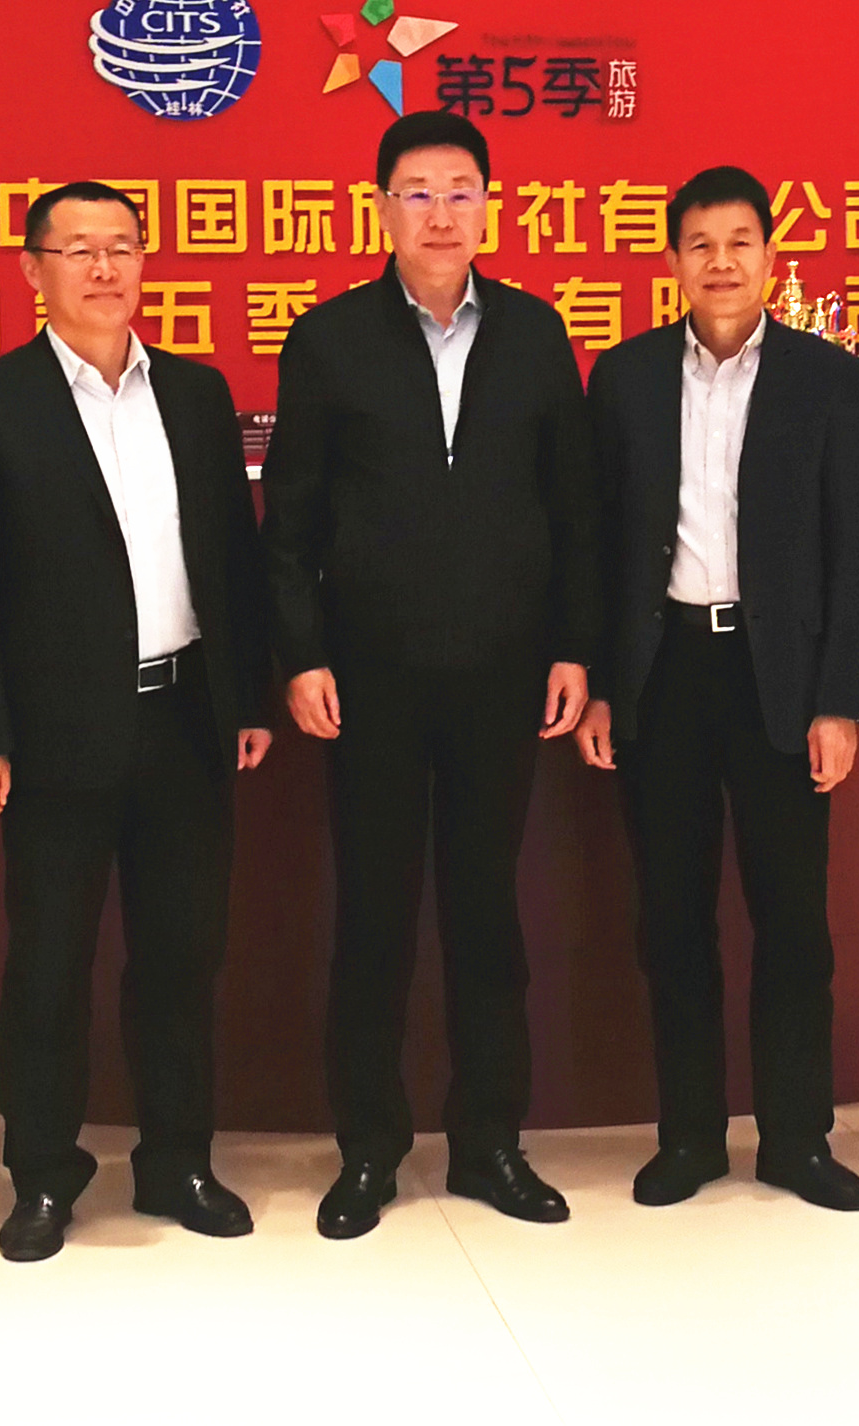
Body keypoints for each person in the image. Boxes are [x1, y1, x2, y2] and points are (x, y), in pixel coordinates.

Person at [262, 108, 600, 1240]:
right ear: (382, 209)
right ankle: (368, 1148)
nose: (441, 212)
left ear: (490, 208)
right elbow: (290, 520)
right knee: (373, 916)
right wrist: (302, 654)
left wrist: (573, 646)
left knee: (485, 913)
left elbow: (573, 509)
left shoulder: (538, 333)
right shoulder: (329, 339)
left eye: (461, 191)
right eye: (417, 192)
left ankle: (489, 1141)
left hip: (504, 677)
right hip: (370, 683)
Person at [0, 182, 276, 1263]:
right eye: (76, 249)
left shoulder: (196, 392)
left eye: (121, 247)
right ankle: (43, 1175)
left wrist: (246, 696)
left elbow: (231, 556)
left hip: (186, 720)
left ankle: (178, 1160)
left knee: (181, 958)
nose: (102, 268)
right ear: (32, 270)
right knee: (49, 964)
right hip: (53, 736)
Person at [577, 166, 859, 1212]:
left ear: (770, 256)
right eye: (700, 244)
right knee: (673, 919)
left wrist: (839, 700)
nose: (721, 263)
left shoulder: (828, 380)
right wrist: (604, 685)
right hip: (664, 676)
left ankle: (798, 1138)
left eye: (740, 242)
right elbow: (600, 545)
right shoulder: (624, 377)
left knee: (793, 921)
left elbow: (855, 551)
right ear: (673, 261)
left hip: (778, 678)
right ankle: (690, 1137)